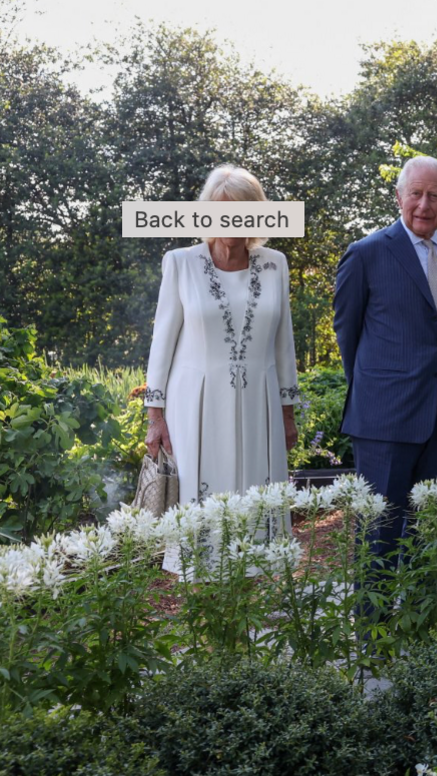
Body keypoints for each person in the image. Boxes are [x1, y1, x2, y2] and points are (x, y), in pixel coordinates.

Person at [144, 164, 300, 574]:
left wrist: (288, 411)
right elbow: (162, 340)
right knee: (201, 518)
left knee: (258, 503)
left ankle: (250, 601)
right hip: (195, 406)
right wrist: (154, 416)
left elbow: (284, 342)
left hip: (260, 405)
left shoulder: (276, 265)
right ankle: (205, 608)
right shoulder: (180, 263)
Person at [333, 155, 437, 571]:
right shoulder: (366, 254)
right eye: (415, 194)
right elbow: (347, 334)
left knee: (431, 536)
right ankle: (373, 637)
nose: (424, 205)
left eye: (434, 196)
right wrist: (377, 391)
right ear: (398, 197)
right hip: (384, 423)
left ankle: (426, 634)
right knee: (379, 537)